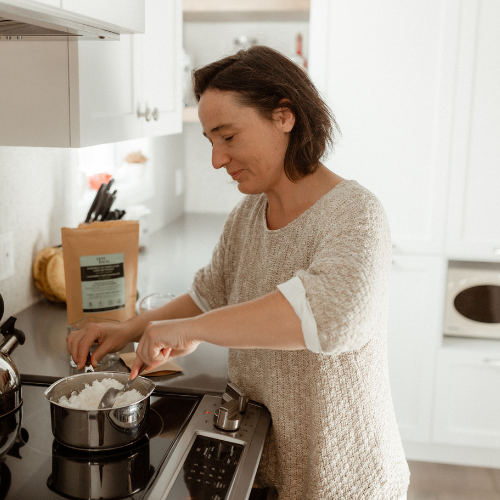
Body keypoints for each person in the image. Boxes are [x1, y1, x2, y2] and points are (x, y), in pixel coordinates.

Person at [67, 46, 410, 499]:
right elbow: (210, 294)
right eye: (211, 141)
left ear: (283, 117)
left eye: (228, 136)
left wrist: (193, 328)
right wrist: (129, 329)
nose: (216, 158)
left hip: (340, 471)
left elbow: (329, 317)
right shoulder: (249, 213)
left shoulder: (355, 213)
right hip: (268, 459)